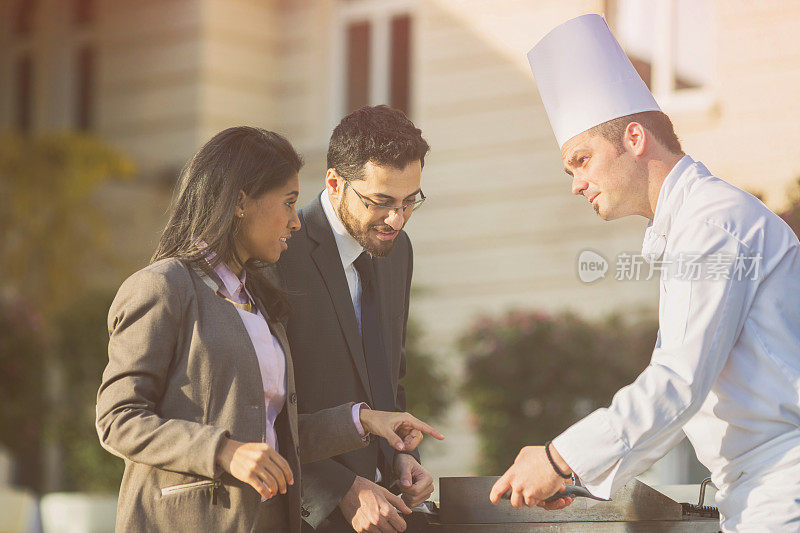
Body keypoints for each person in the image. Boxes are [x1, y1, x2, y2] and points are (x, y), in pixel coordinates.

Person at [489, 14, 800, 531]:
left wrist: (557, 458)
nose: (576, 184)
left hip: (783, 490)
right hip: (761, 493)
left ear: (634, 138)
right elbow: (681, 400)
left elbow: (677, 385)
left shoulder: (713, 223)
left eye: (582, 160)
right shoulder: (696, 225)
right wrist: (577, 473)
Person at [96, 126, 443, 532]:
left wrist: (361, 420)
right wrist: (223, 451)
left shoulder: (259, 299)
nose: (296, 222)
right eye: (289, 203)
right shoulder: (163, 285)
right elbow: (118, 419)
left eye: (409, 202)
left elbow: (280, 432)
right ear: (241, 202)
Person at [273, 105, 433, 533]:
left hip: (383, 510)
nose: (396, 220)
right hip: (296, 510)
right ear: (334, 182)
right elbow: (258, 409)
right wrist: (338, 489)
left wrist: (402, 454)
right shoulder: (277, 251)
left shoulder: (399, 250)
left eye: (409, 201)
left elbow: (389, 377)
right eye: (380, 202)